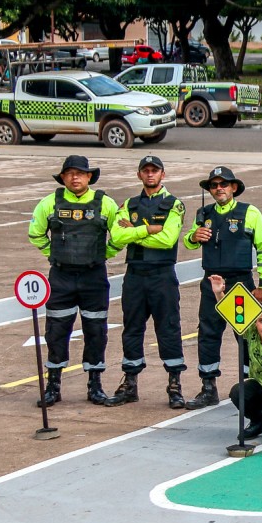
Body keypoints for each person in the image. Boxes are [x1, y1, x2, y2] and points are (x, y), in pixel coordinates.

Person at [28, 155, 119, 406]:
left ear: (89, 176)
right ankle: (53, 387)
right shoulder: (49, 203)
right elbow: (35, 234)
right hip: (61, 278)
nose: (75, 177)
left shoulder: (107, 203)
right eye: (69, 173)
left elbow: (120, 235)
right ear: (63, 177)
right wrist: (53, 255)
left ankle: (95, 386)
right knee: (56, 332)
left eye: (80, 173)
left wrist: (103, 255)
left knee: (96, 331)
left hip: (94, 278)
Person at [182, 166, 262, 409]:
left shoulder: (249, 212)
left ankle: (250, 386)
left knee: (244, 336)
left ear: (234, 188)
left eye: (224, 184)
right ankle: (208, 387)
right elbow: (188, 240)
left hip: (239, 284)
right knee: (208, 333)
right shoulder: (203, 213)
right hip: (211, 283)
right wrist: (194, 237)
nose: (219, 188)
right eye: (214, 185)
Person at [106, 155, 187, 408]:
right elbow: (117, 236)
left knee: (168, 328)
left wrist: (134, 231)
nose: (150, 174)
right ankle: (130, 383)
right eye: (146, 171)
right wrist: (147, 229)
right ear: (139, 174)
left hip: (162, 274)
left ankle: (174, 385)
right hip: (135, 275)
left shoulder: (174, 204)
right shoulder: (129, 203)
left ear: (163, 174)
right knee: (131, 328)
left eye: (155, 170)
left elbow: (168, 240)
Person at [211, 274, 262, 443]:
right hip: (259, 387)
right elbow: (231, 314)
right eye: (261, 321)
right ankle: (257, 420)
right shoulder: (251, 334)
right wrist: (219, 293)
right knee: (238, 391)